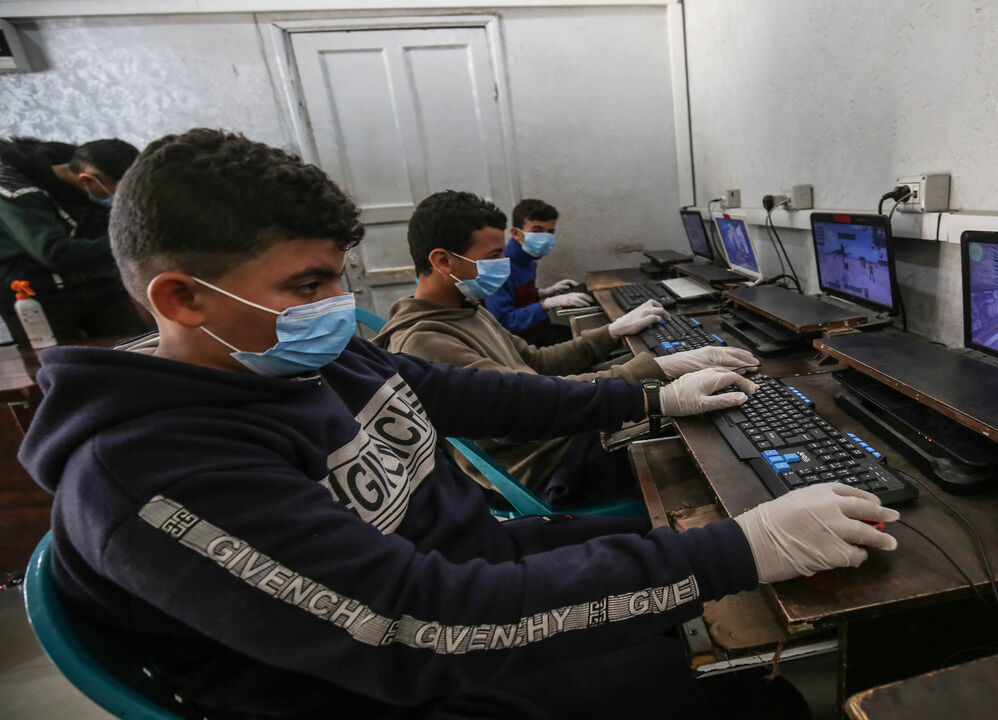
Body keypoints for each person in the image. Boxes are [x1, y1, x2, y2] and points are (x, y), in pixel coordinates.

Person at [18, 128, 901, 720]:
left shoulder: (302, 355)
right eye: (307, 285)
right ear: (181, 299)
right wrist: (738, 553)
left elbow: (472, 396)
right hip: (394, 684)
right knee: (753, 695)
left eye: (336, 277)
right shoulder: (151, 473)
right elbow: (421, 628)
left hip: (465, 584)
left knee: (700, 585)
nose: (336, 304)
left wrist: (645, 397)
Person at [372, 189, 759, 509]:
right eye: (492, 257)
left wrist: (615, 336)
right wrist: (655, 378)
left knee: (706, 409)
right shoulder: (425, 342)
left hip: (561, 432)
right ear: (443, 261)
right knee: (715, 454)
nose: (504, 263)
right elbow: (534, 401)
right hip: (550, 466)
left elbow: (537, 363)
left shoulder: (465, 308)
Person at [0, 137, 149, 346]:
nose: (123, 200)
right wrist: (136, 242)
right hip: (36, 296)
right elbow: (55, 252)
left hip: (99, 285)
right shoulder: (15, 193)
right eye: (121, 193)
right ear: (87, 180)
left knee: (136, 348)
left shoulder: (88, 176)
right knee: (59, 361)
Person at [484, 198, 591, 345]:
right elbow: (504, 322)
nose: (545, 238)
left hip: (539, 329)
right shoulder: (498, 268)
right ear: (516, 233)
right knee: (591, 344)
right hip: (520, 343)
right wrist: (546, 304)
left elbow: (517, 296)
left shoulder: (528, 259)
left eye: (550, 232)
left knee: (591, 336)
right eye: (537, 230)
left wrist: (544, 292)